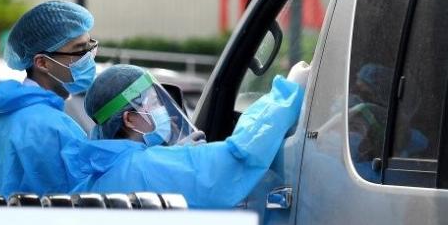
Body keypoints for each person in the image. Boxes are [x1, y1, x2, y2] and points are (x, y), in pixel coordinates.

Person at [64, 63, 309, 208]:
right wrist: (288, 92)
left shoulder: (97, 177)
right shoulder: (148, 166)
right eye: (154, 103)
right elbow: (239, 158)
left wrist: (175, 157)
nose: (163, 109)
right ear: (129, 119)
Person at [0, 0, 96, 197]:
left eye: (90, 47)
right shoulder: (53, 126)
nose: (88, 58)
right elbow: (74, 201)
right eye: (79, 51)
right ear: (42, 63)